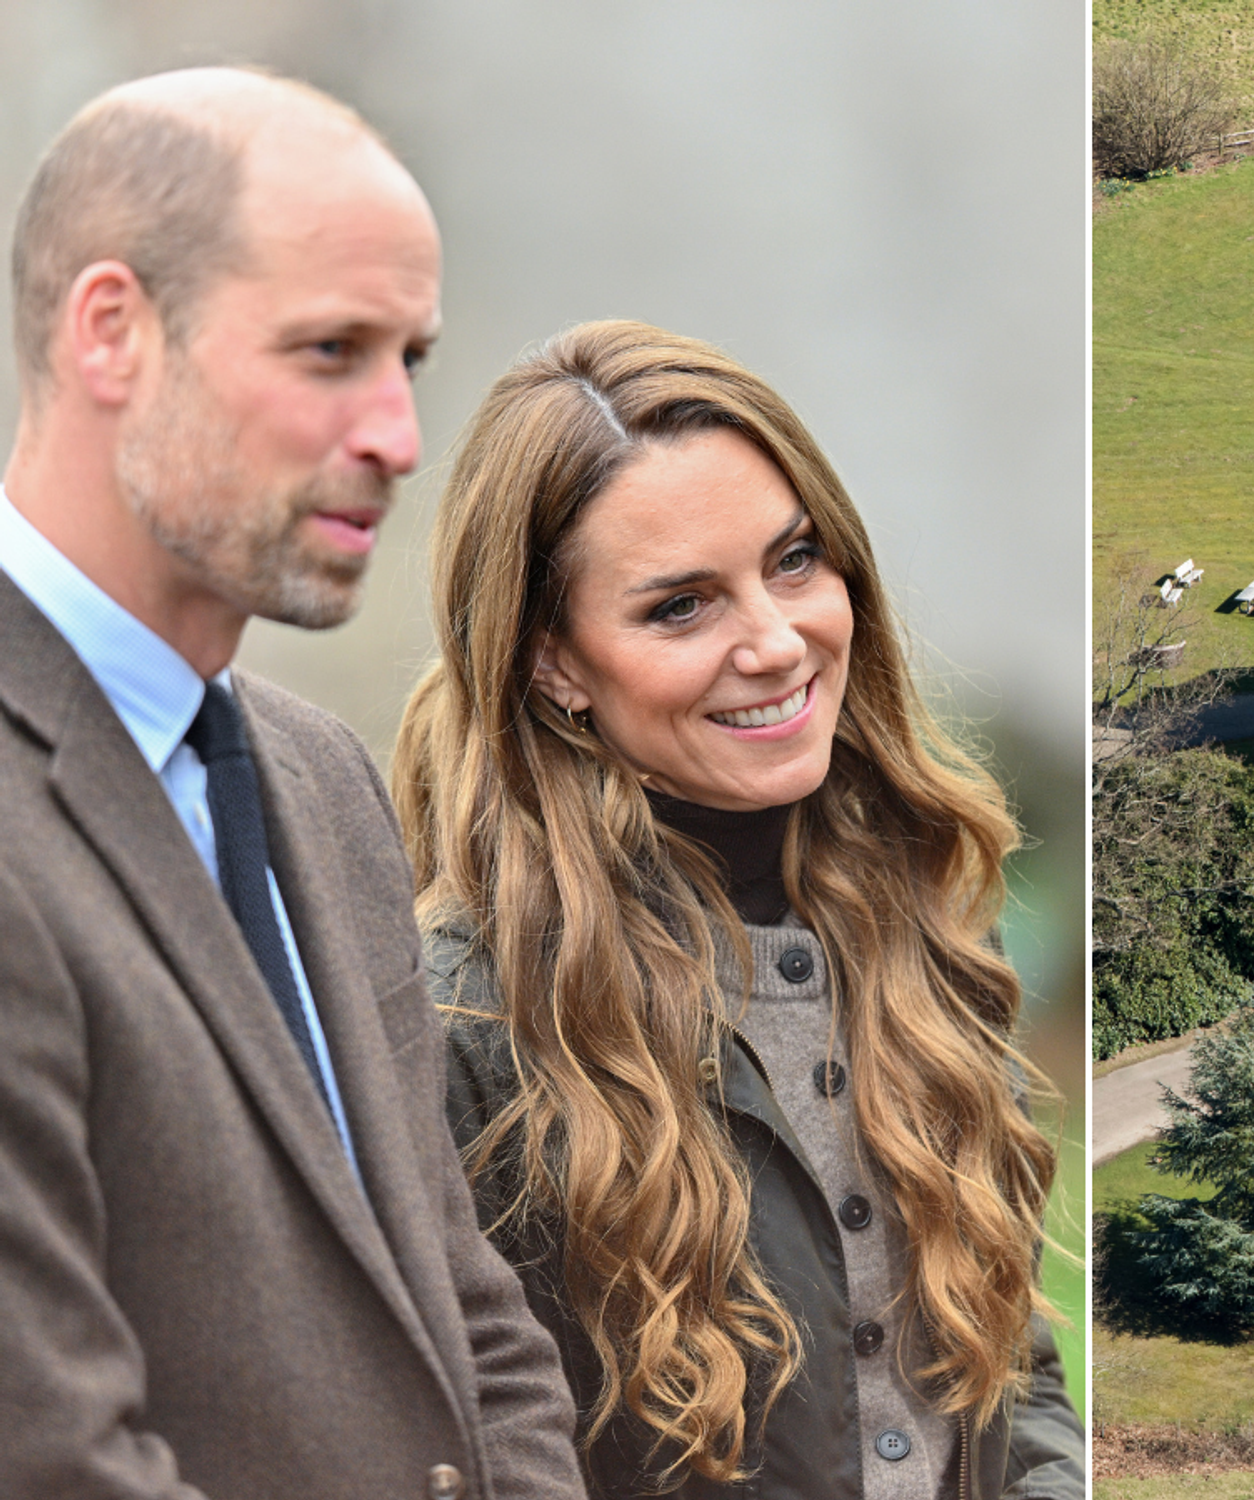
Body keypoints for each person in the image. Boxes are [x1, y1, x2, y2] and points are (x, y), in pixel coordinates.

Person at [0, 69, 584, 1500]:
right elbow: (51, 1456)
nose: (397, 436)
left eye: (409, 361)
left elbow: (467, 1316)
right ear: (112, 332)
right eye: (330, 352)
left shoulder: (320, 779)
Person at [392, 320, 1085, 1500]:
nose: (774, 641)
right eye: (679, 608)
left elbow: (1012, 1382)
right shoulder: (460, 1034)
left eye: (796, 560)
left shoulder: (922, 946)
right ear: (554, 664)